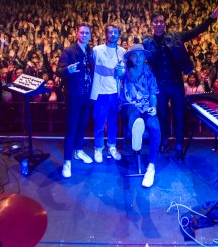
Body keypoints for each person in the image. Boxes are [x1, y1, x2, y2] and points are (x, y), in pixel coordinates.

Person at [142, 3, 218, 159]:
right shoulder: (146, 43)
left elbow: (196, 31)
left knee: (179, 115)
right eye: (156, 22)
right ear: (151, 24)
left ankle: (179, 146)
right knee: (162, 115)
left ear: (164, 23)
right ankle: (164, 142)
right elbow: (137, 57)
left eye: (161, 21)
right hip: (159, 84)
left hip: (176, 83)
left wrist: (211, 19)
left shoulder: (176, 36)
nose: (159, 24)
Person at [119, 44, 160, 188]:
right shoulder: (125, 71)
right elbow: (118, 73)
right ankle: (137, 129)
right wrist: (124, 68)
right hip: (129, 105)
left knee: (155, 127)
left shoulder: (149, 72)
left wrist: (153, 107)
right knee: (133, 115)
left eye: (140, 55)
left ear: (144, 57)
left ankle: (151, 167)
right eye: (134, 55)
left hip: (146, 106)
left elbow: (153, 93)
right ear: (130, 57)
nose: (138, 58)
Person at [57, 23, 95, 178]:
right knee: (71, 127)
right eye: (82, 32)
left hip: (87, 96)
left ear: (90, 35)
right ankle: (67, 161)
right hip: (74, 96)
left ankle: (78, 151)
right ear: (77, 33)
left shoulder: (90, 51)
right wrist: (68, 70)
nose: (84, 35)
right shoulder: (69, 51)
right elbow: (58, 71)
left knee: (83, 124)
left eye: (87, 33)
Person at [91, 25, 126, 163]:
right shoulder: (96, 50)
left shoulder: (123, 51)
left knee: (113, 122)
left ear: (119, 35)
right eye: (110, 32)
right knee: (99, 122)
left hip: (115, 93)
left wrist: (121, 73)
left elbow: (124, 74)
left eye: (115, 32)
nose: (113, 34)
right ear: (105, 34)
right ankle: (98, 148)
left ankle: (112, 146)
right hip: (101, 92)